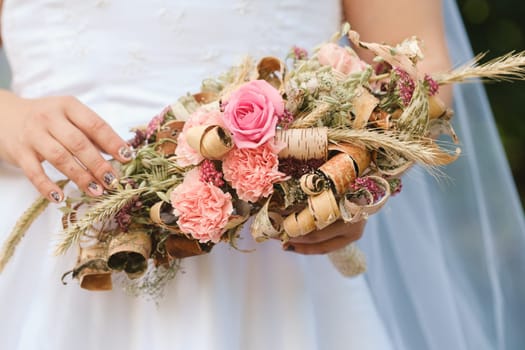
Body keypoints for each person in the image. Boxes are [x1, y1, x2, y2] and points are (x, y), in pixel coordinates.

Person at [0, 0, 523, 349]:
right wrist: (12, 119)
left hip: (280, 235)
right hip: (54, 233)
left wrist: (354, 170)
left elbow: (419, 62)